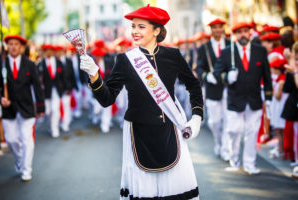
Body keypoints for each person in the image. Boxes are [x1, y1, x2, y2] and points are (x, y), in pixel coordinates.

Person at [80, 4, 203, 199]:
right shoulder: (125, 60)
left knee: (174, 189)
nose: (135, 31)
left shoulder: (173, 56)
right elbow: (107, 99)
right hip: (138, 132)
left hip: (169, 129)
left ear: (156, 30)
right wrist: (95, 77)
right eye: (133, 26)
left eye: (141, 26)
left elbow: (194, 85)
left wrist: (196, 117)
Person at [214, 22, 273, 175]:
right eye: (239, 32)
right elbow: (216, 74)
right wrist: (227, 76)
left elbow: (267, 76)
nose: (243, 34)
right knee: (233, 131)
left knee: (252, 133)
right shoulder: (228, 52)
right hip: (235, 100)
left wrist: (269, 97)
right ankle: (234, 160)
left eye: (245, 31)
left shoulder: (260, 51)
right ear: (235, 35)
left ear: (250, 33)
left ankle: (249, 164)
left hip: (254, 100)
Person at [0, 35, 45, 181]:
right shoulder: (1, 65)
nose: (13, 47)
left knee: (27, 140)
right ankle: (19, 160)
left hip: (27, 108)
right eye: (10, 44)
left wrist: (40, 107)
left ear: (21, 47)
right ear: (7, 47)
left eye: (16, 44)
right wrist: (1, 98)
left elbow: (37, 87)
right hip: (9, 109)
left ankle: (27, 170)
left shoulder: (30, 65)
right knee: (11, 139)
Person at [196, 18, 230, 160]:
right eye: (214, 27)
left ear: (223, 29)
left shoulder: (230, 45)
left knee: (228, 120)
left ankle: (226, 149)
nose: (217, 30)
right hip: (212, 88)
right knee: (214, 122)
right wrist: (206, 76)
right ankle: (218, 141)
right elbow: (199, 67)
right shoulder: (204, 48)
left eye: (219, 27)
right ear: (211, 30)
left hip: (229, 88)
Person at [38, 44, 65, 138]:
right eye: (46, 51)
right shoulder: (41, 64)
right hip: (46, 92)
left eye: (50, 50)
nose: (48, 52)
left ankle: (55, 128)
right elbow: (38, 78)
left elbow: (63, 76)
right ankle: (51, 126)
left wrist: (65, 88)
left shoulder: (59, 62)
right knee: (48, 111)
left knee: (55, 109)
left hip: (57, 90)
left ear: (53, 51)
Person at [54, 45, 77, 132]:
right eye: (56, 52)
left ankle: (65, 123)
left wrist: (71, 88)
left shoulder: (68, 61)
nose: (58, 53)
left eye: (60, 51)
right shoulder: (54, 62)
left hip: (67, 89)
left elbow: (71, 76)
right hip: (57, 89)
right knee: (57, 108)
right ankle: (58, 122)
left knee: (66, 106)